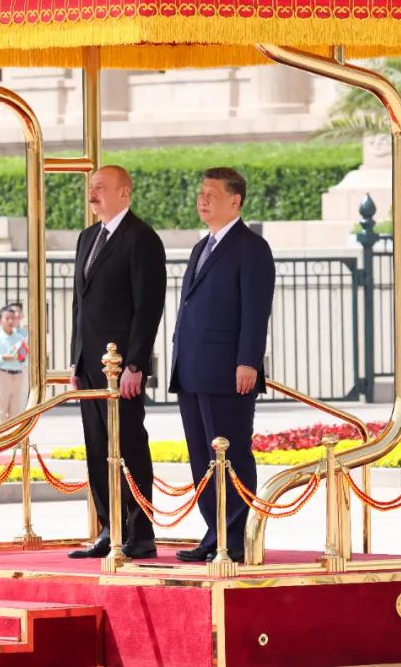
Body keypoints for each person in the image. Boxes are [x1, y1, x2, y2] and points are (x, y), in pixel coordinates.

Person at [170, 168, 275, 564]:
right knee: (202, 458)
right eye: (201, 193)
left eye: (212, 194)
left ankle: (235, 537)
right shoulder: (202, 247)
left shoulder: (251, 248)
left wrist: (248, 360)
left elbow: (255, 311)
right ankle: (214, 533)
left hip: (228, 372)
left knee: (230, 456)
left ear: (235, 200)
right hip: (192, 369)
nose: (203, 200)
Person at [68, 165, 166, 560]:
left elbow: (148, 307)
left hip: (121, 367)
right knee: (96, 446)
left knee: (128, 445)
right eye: (91, 187)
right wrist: (76, 361)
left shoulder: (142, 238)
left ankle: (140, 533)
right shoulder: (88, 237)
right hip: (90, 365)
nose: (92, 194)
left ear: (124, 192)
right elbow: (80, 305)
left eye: (101, 187)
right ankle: (110, 529)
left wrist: (135, 364)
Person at [0, 305, 27, 424]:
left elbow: (26, 358)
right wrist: (2, 357)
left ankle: (15, 435)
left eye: (12, 318)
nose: (10, 321)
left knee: (16, 411)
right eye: (7, 318)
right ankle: (2, 435)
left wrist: (22, 358)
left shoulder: (20, 339)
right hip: (2, 376)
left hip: (18, 376)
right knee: (1, 411)